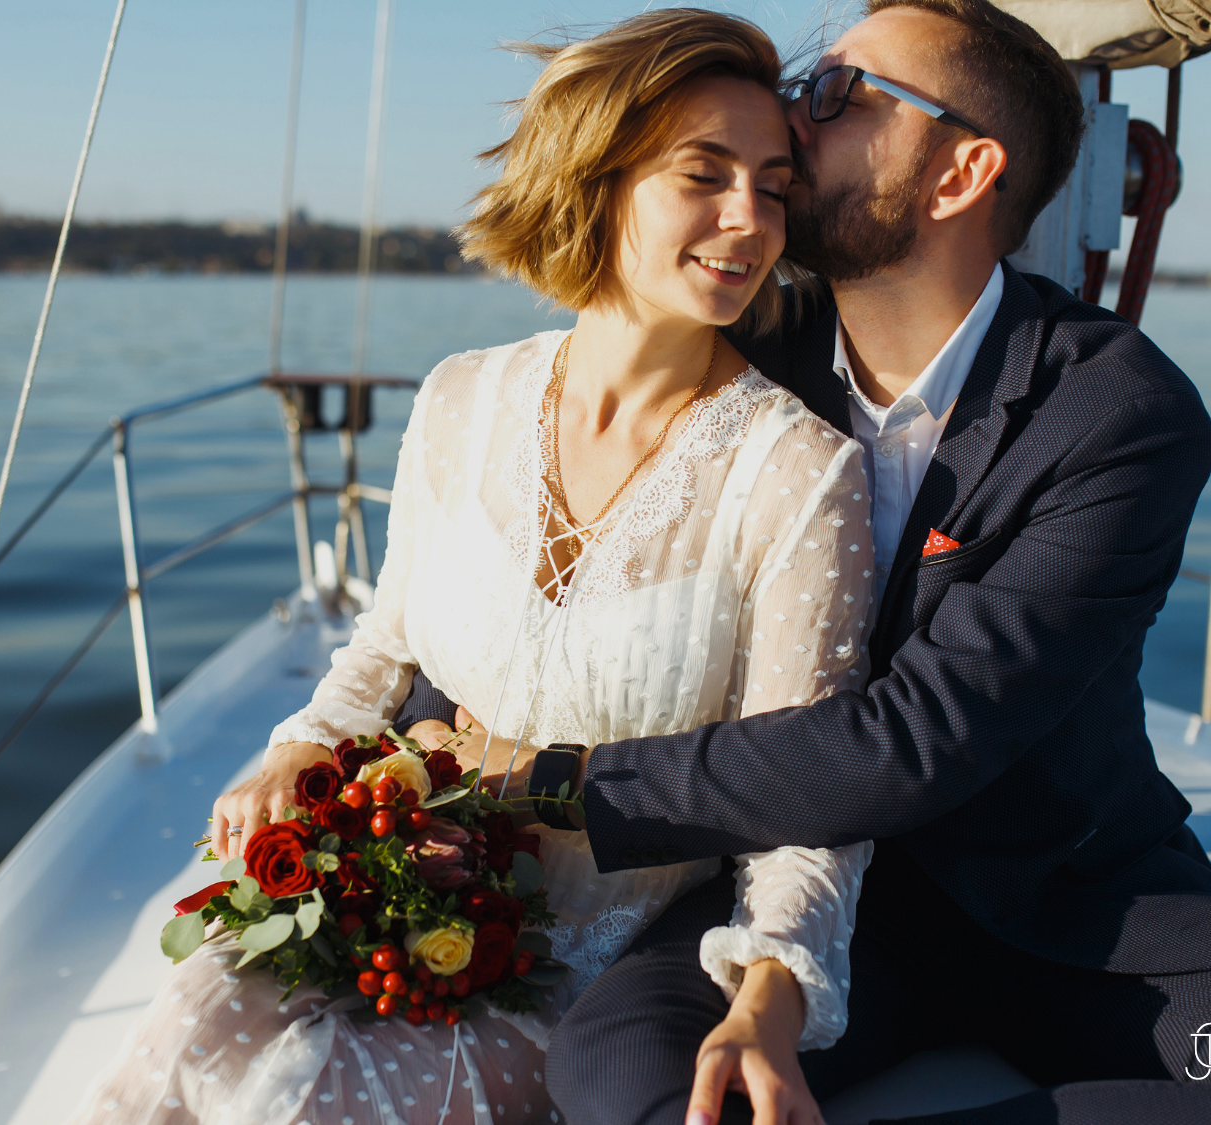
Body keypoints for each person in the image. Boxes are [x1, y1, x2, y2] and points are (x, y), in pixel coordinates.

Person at [404, 2, 1211, 1123]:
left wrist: (552, 782)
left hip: (1075, 912)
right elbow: (548, 538)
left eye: (837, 94)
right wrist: (410, 754)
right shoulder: (738, 357)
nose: (793, 111)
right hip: (810, 893)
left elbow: (919, 738)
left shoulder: (1114, 412)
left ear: (958, 172)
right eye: (801, 82)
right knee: (627, 1075)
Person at [69, 10, 879, 1124]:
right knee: (183, 1030)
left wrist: (767, 1000)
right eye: (704, 174)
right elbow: (386, 645)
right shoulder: (458, 399)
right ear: (596, 177)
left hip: (581, 965)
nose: (749, 219)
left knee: (303, 1107)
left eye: (774, 185)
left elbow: (805, 795)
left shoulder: (794, 473)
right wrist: (301, 745)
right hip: (393, 884)